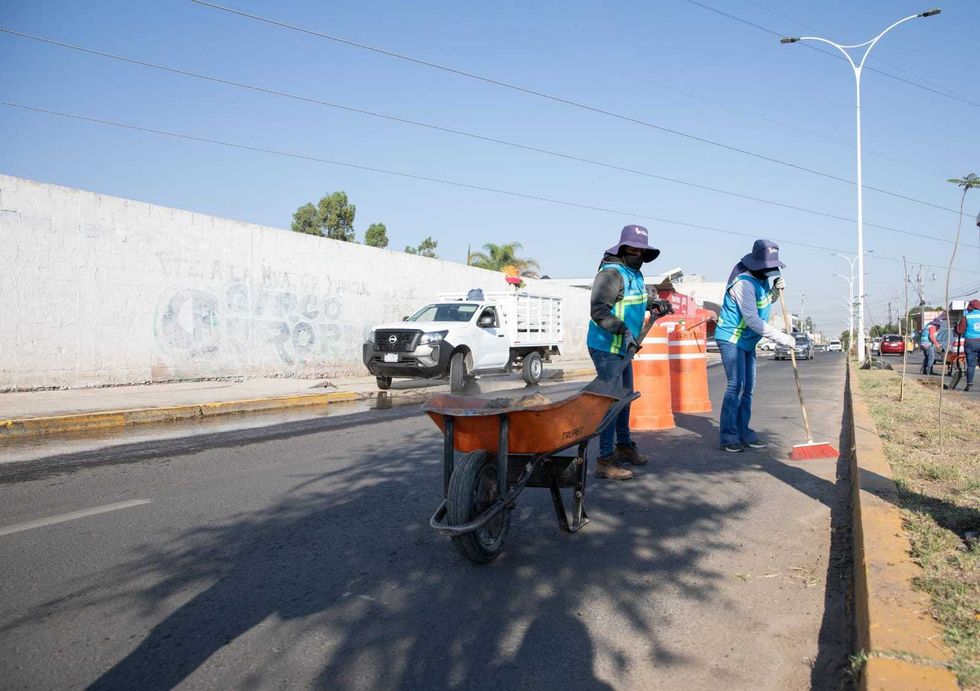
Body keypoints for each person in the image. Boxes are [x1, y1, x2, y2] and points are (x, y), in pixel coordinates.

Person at [587, 224, 670, 480]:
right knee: (612, 403)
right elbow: (599, 310)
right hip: (606, 347)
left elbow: (633, 301)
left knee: (625, 400)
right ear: (623, 248)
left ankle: (623, 447)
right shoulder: (611, 273)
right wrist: (623, 331)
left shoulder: (635, 274)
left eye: (642, 250)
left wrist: (654, 303)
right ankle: (604, 460)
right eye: (634, 249)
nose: (638, 254)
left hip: (623, 348)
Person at [713, 240, 796, 453]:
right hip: (732, 338)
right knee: (736, 386)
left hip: (748, 341)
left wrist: (775, 292)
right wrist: (783, 338)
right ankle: (729, 437)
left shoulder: (762, 281)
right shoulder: (743, 284)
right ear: (756, 264)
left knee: (748, 387)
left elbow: (764, 304)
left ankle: (744, 433)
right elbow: (753, 320)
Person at [954, 299, 980, 391]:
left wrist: (956, 327)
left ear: (971, 307)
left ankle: (969, 384)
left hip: (970, 343)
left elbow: (959, 331)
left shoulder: (966, 317)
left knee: (971, 365)